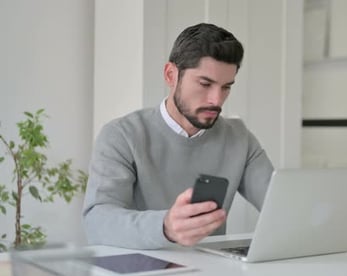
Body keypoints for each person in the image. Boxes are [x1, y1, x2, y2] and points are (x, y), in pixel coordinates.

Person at [82, 23, 274, 249]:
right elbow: (97, 222)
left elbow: (279, 205)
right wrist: (165, 226)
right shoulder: (121, 135)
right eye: (205, 84)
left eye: (226, 87)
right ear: (171, 75)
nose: (217, 99)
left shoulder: (239, 138)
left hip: (212, 270)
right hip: (142, 270)